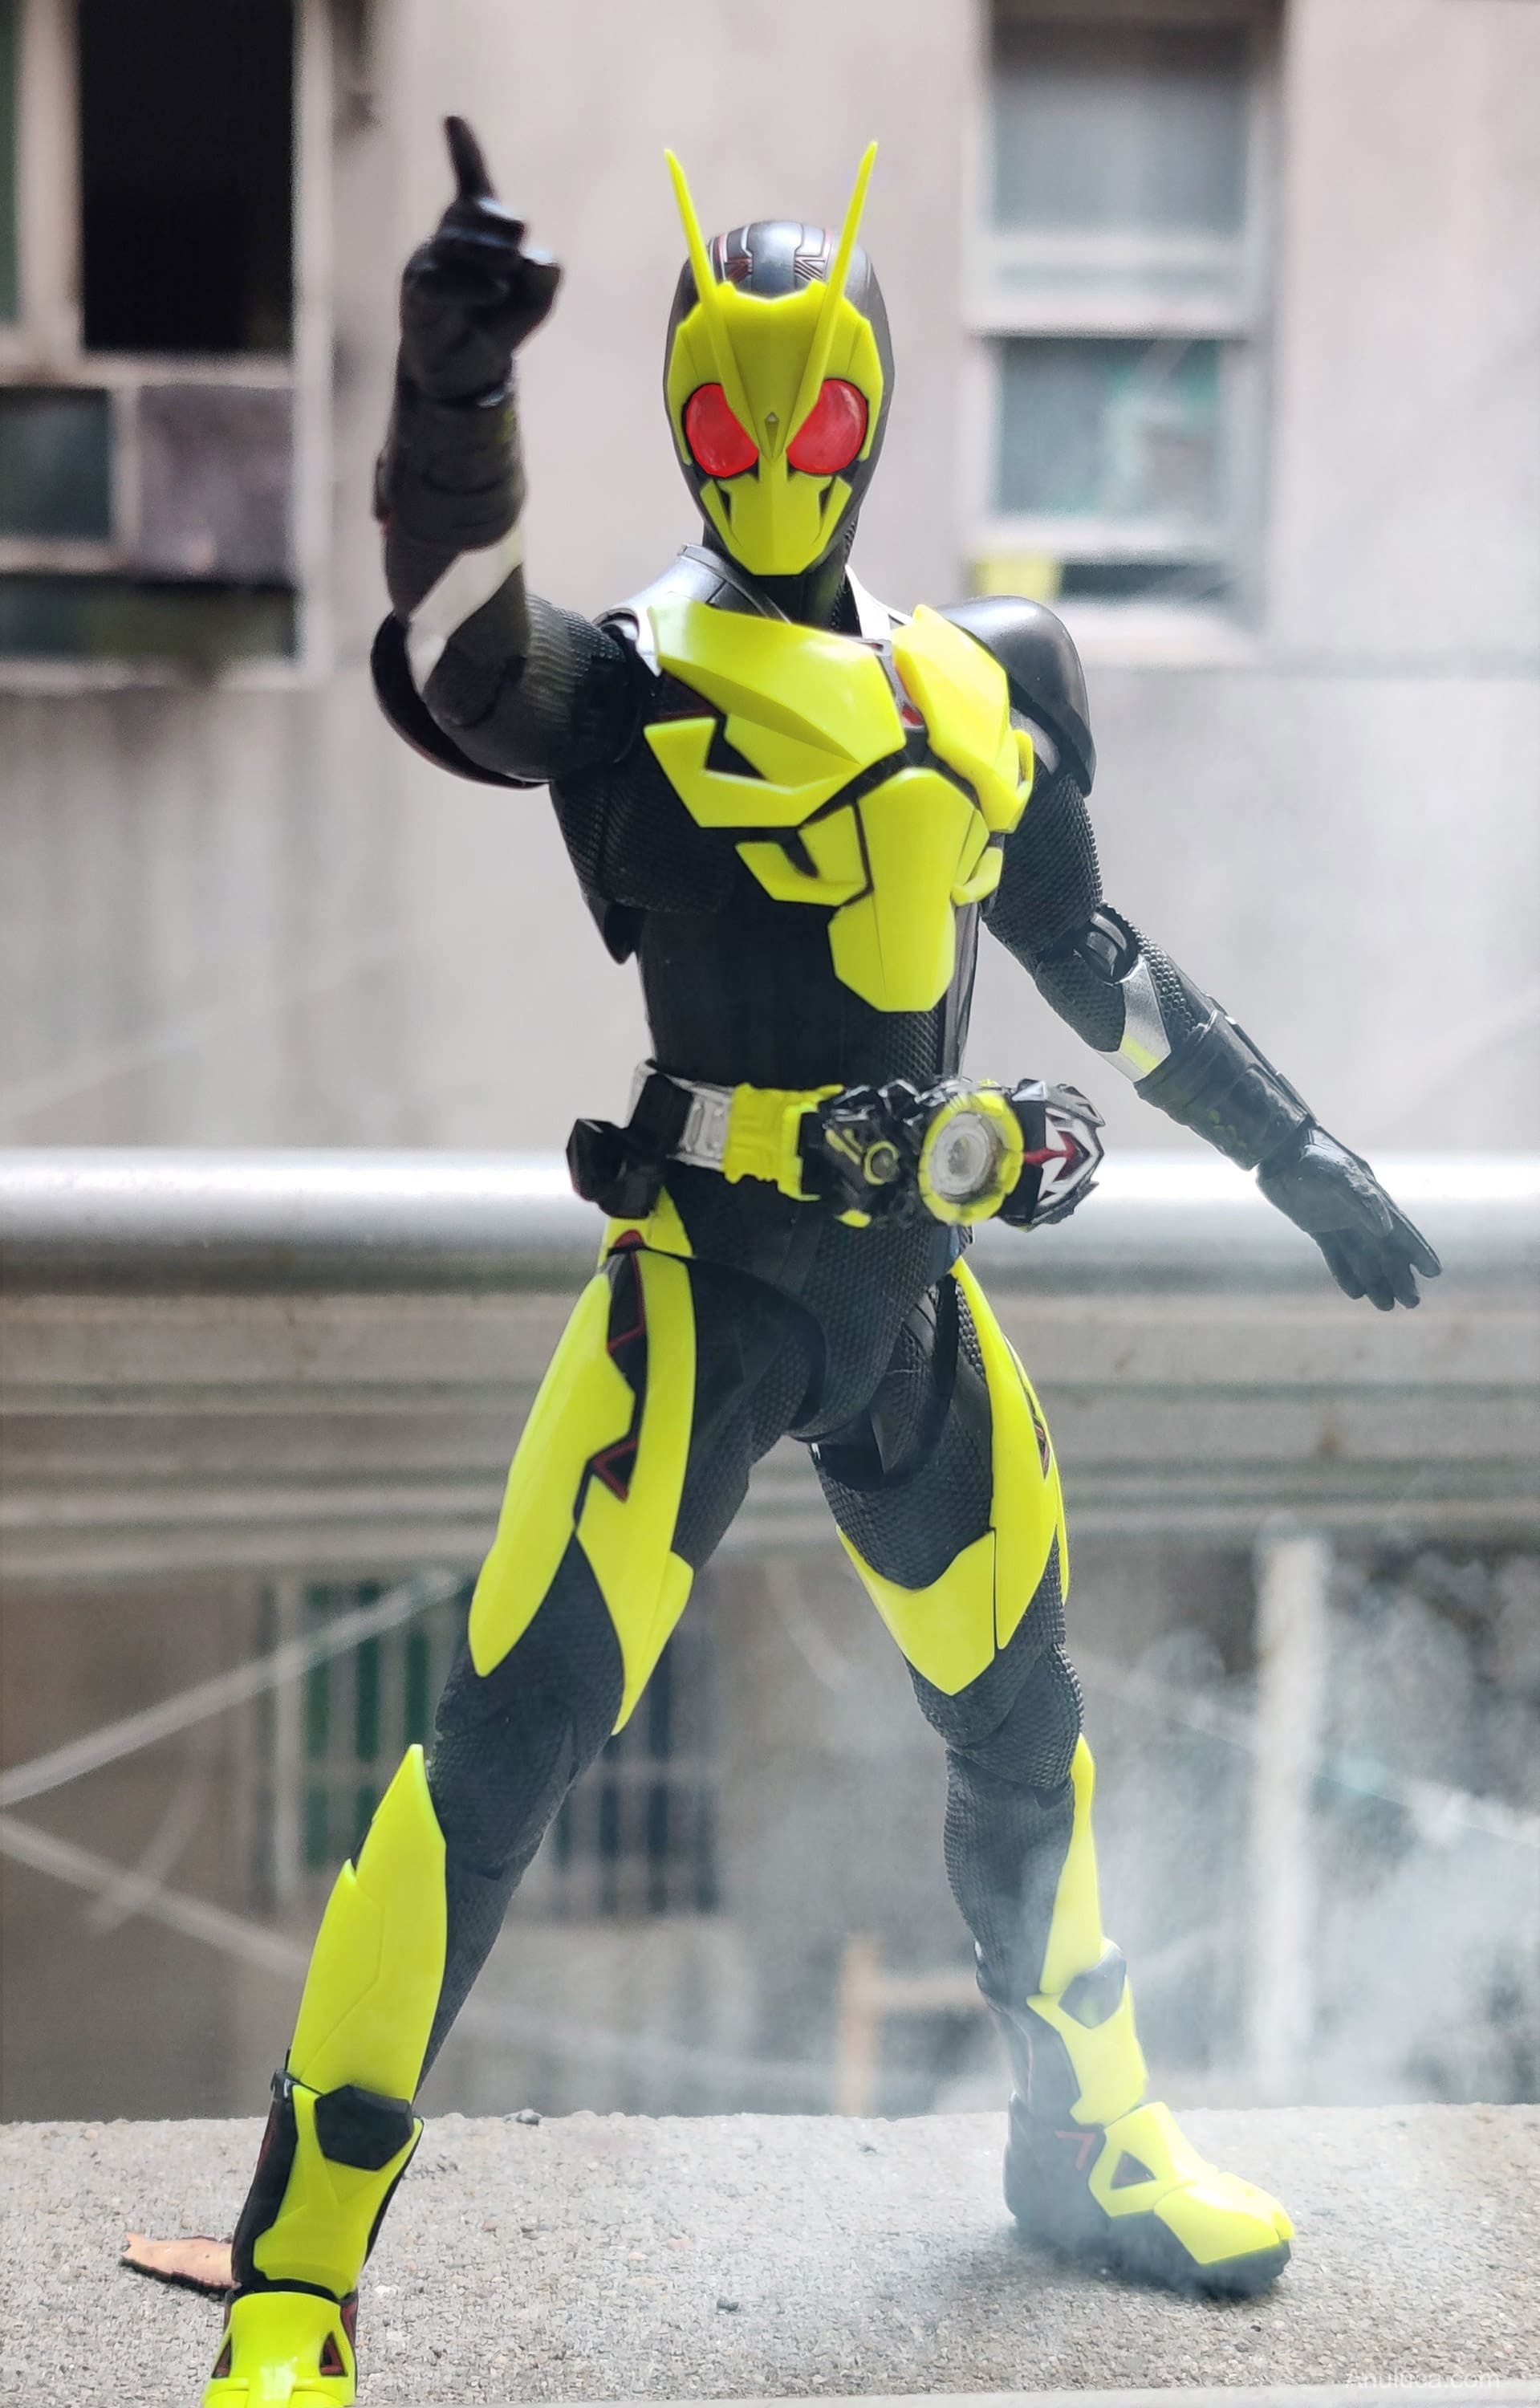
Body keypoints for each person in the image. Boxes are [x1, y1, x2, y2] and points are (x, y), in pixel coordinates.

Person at [203, 122, 1439, 2405]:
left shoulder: (983, 684)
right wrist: (453, 392)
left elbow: (1101, 966)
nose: (778, 456)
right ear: (686, 424)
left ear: (872, 416)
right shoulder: (631, 686)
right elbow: (463, 653)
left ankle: (1089, 2145)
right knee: (499, 1760)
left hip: (910, 1306)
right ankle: (297, 2272)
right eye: (733, 415)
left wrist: (1306, 1158)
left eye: (821, 412)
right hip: (703, 1290)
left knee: (1028, 1734)